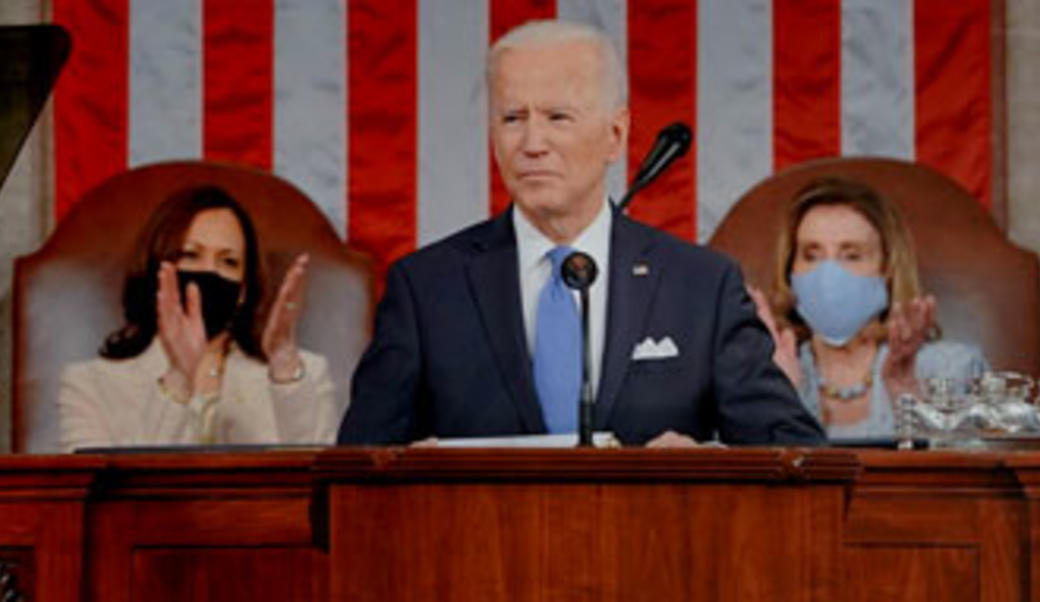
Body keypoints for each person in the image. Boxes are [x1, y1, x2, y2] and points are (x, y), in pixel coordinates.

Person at [337, 20, 822, 447]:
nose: (532, 144)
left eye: (557, 118)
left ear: (615, 135)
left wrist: (706, 467)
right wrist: (407, 476)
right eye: (513, 119)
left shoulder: (700, 286)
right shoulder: (426, 289)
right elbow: (350, 480)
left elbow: (795, 456)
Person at [58, 185, 337, 451]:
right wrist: (179, 379)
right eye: (191, 255)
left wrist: (284, 368)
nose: (209, 272)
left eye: (228, 262)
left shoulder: (302, 376)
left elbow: (323, 485)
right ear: (158, 270)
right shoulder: (89, 385)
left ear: (243, 290)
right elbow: (103, 496)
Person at [749, 177, 988, 439]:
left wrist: (906, 396)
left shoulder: (952, 369)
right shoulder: (767, 373)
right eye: (811, 255)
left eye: (851, 255)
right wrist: (780, 399)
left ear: (888, 268)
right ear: (790, 269)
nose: (828, 275)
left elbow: (977, 472)